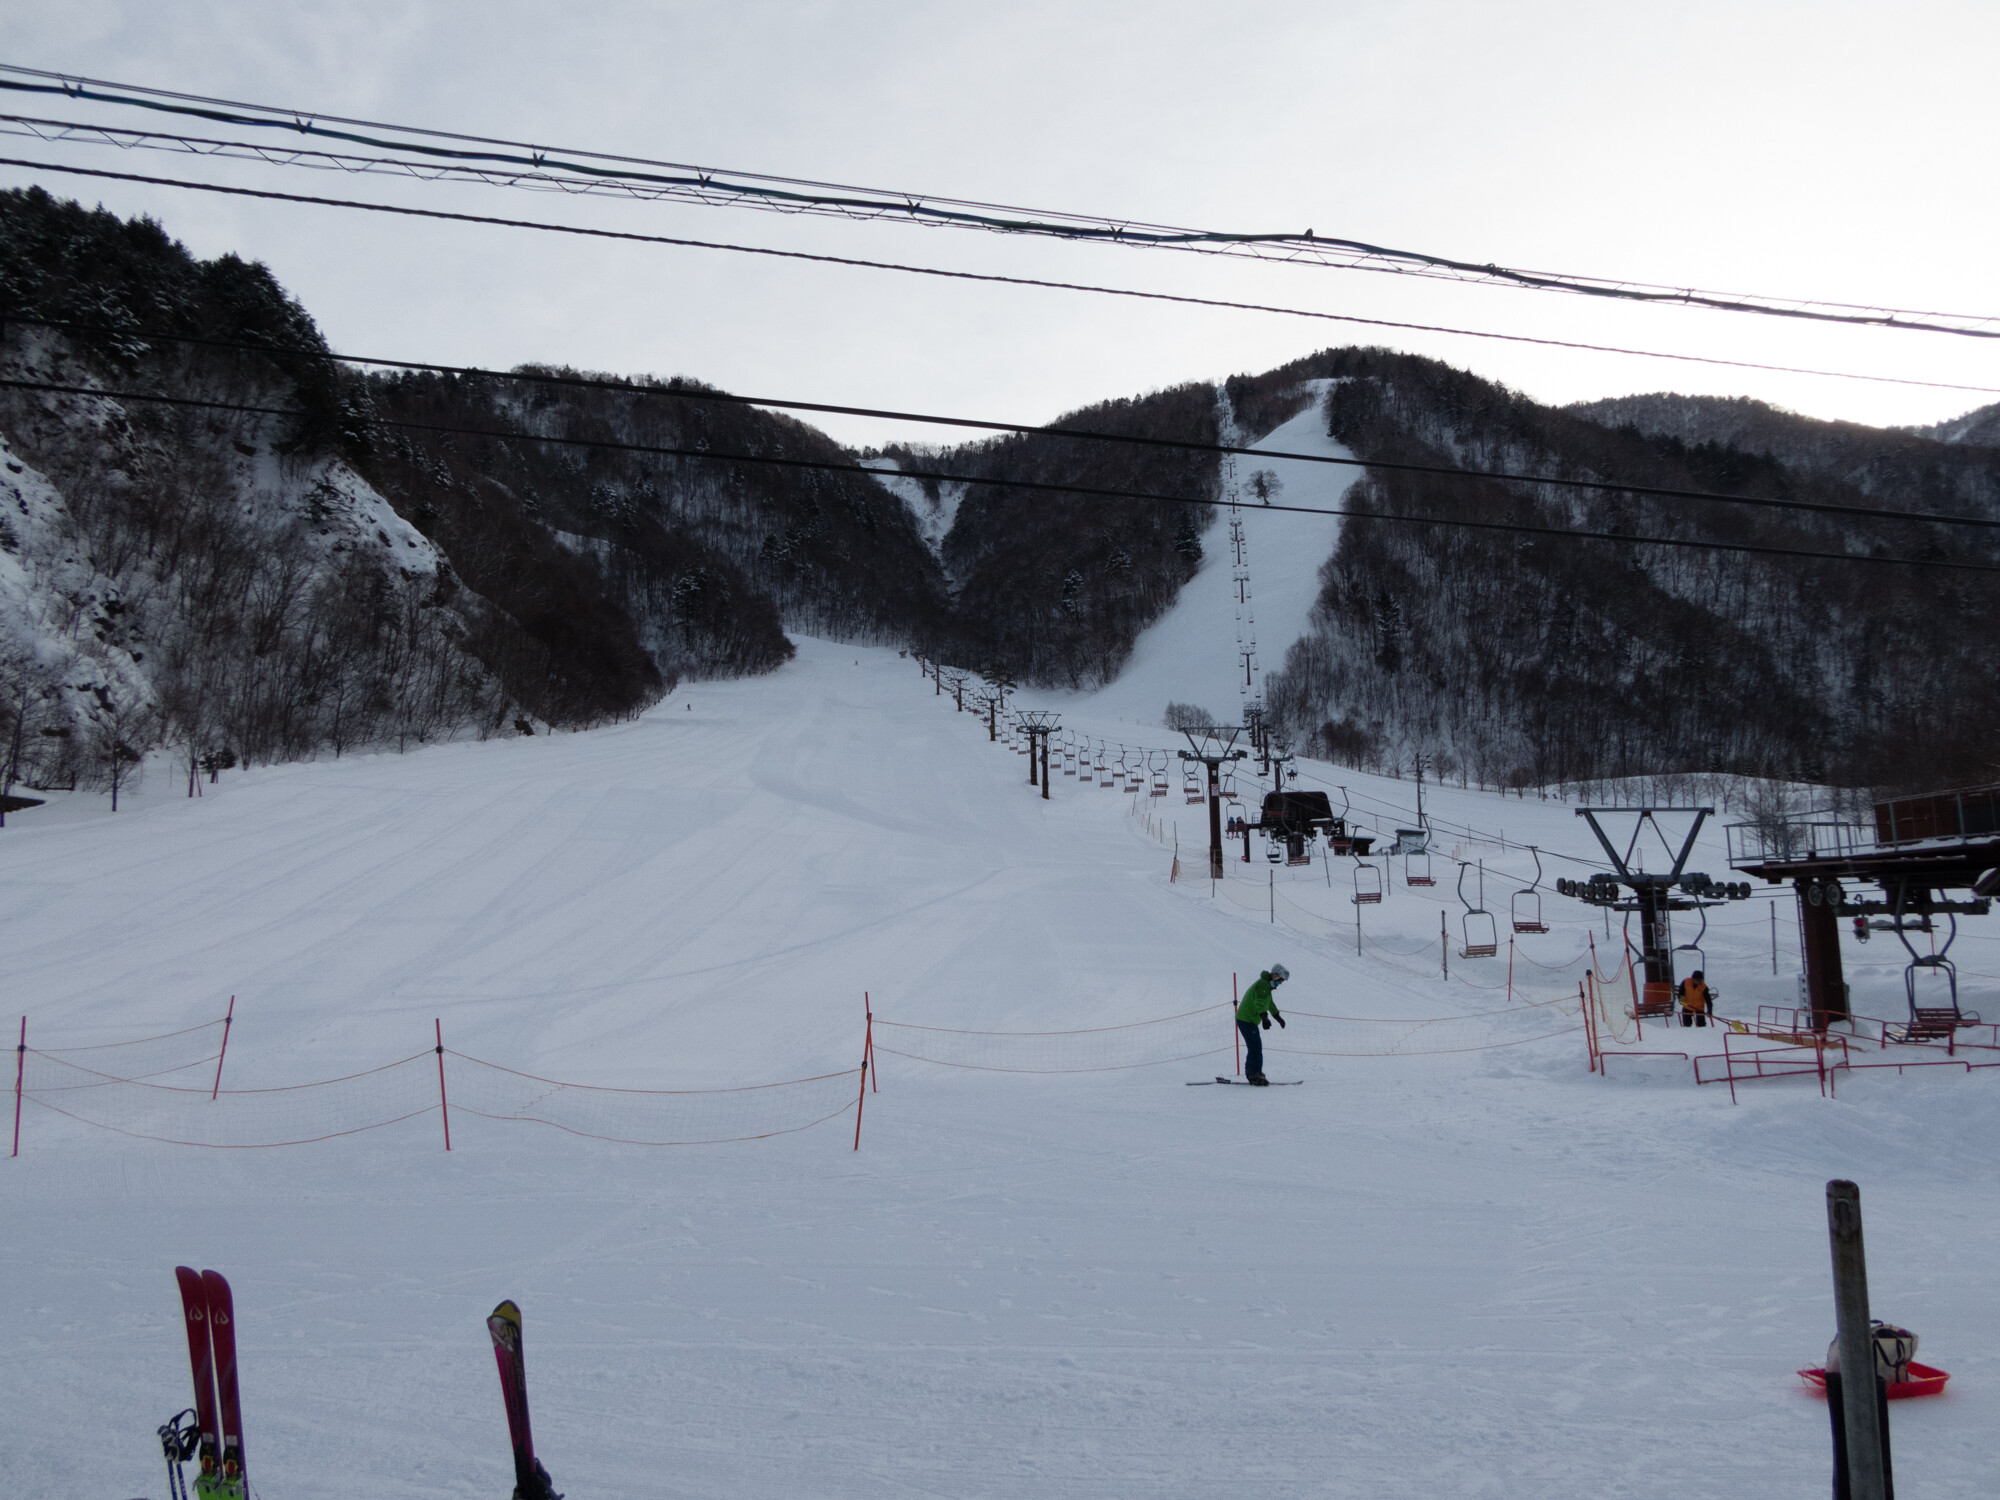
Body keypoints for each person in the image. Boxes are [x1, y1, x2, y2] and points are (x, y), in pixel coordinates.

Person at [1236, 964, 1289, 1084]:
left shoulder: (1266, 986)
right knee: (1255, 1047)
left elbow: (1269, 1003)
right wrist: (1264, 1018)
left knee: (1255, 1046)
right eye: (1280, 981)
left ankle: (1256, 1072)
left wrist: (1278, 1017)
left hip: (1249, 1020)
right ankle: (1253, 1075)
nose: (1279, 984)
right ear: (1275, 976)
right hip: (1246, 1019)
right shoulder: (1263, 985)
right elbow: (1259, 1002)